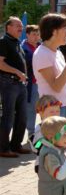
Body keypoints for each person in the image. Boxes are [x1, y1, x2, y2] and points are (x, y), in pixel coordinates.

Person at [0, 16, 30, 158]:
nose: (21, 28)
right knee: (8, 116)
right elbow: (0, 64)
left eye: (21, 26)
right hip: (8, 83)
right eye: (17, 25)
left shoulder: (17, 43)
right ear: (8, 27)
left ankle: (16, 145)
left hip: (20, 84)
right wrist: (17, 72)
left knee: (22, 117)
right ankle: (3, 148)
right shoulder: (3, 42)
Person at [38, 116, 66, 195]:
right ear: (51, 137)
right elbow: (59, 175)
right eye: (64, 135)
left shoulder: (59, 148)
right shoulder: (49, 154)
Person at [29, 95, 62, 174]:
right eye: (51, 112)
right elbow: (36, 147)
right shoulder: (40, 128)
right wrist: (44, 141)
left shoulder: (60, 126)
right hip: (44, 162)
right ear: (41, 113)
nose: (55, 114)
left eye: (57, 111)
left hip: (59, 160)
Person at [21, 25, 41, 138]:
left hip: (43, 83)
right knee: (32, 109)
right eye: (34, 34)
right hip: (31, 83)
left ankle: (45, 131)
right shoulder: (23, 48)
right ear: (27, 35)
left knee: (45, 107)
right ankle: (31, 133)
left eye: (38, 34)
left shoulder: (41, 47)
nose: (36, 37)